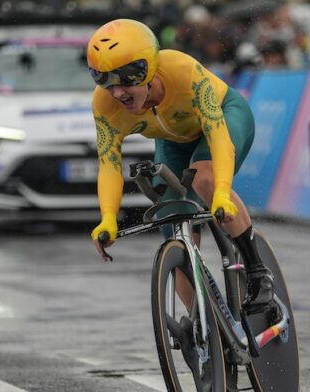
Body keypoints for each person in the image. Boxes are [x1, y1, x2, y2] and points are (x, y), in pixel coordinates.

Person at [86, 19, 273, 313]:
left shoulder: (182, 70)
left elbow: (217, 135)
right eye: (103, 80)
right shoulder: (104, 105)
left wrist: (221, 192)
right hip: (172, 141)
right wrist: (108, 217)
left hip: (224, 118)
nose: (116, 92)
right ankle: (203, 325)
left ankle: (258, 272)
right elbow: (109, 164)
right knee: (174, 226)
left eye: (124, 79)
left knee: (204, 180)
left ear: (146, 69)